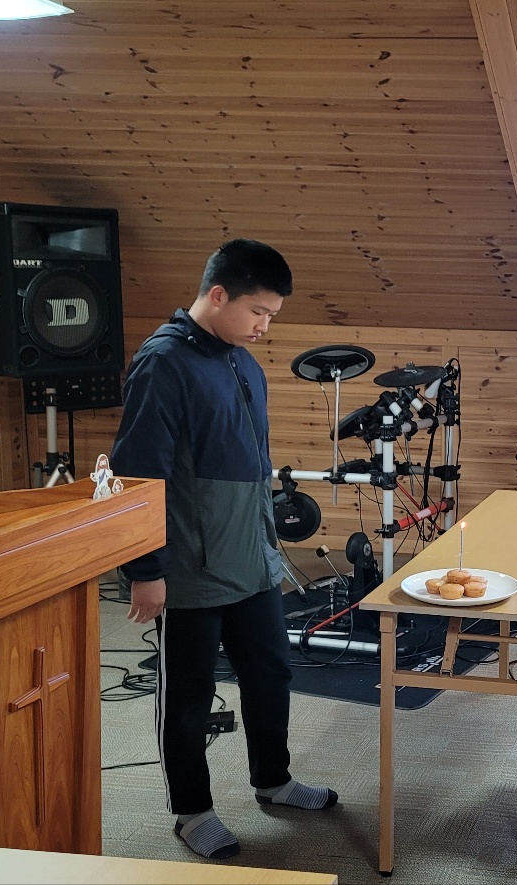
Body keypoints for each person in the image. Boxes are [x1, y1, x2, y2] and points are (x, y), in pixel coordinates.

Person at [112, 238, 337, 861]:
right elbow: (139, 473)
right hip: (190, 567)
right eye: (258, 311)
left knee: (271, 673)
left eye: (272, 315)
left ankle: (273, 780)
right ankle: (192, 811)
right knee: (187, 696)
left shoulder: (244, 363)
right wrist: (146, 570)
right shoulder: (162, 364)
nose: (265, 326)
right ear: (218, 295)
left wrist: (268, 548)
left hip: (252, 561)